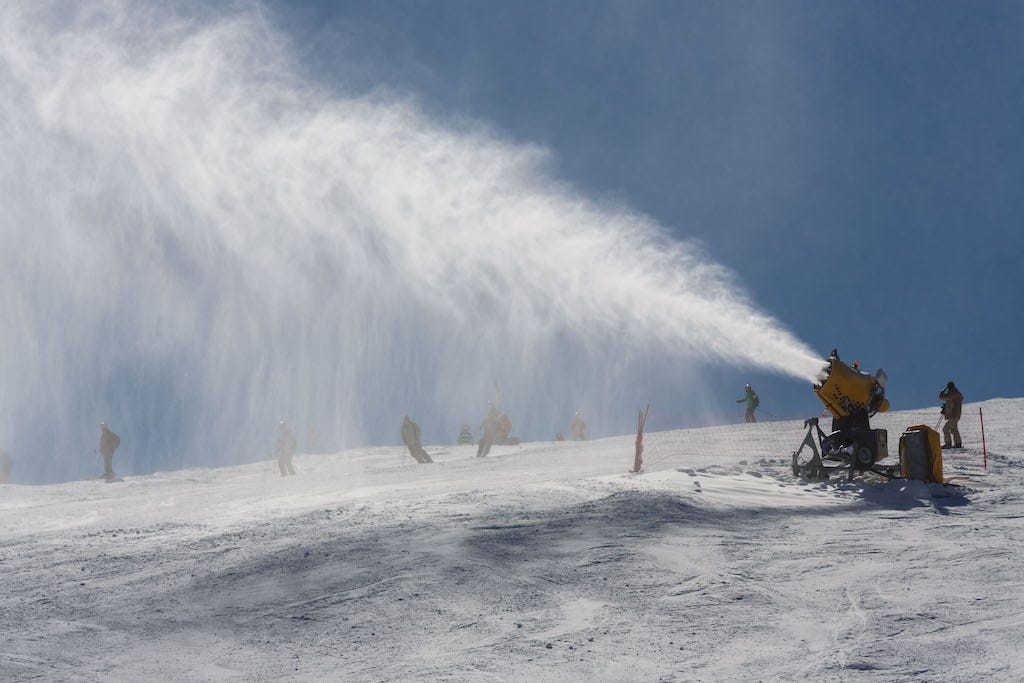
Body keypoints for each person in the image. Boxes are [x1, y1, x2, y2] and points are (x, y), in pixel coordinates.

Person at [939, 381, 964, 449]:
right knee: (946, 429)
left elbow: (941, 397)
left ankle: (956, 444)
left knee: (953, 429)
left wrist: (943, 390)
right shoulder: (956, 393)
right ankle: (951, 444)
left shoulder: (952, 393)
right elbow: (951, 403)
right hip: (955, 414)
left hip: (953, 414)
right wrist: (946, 408)